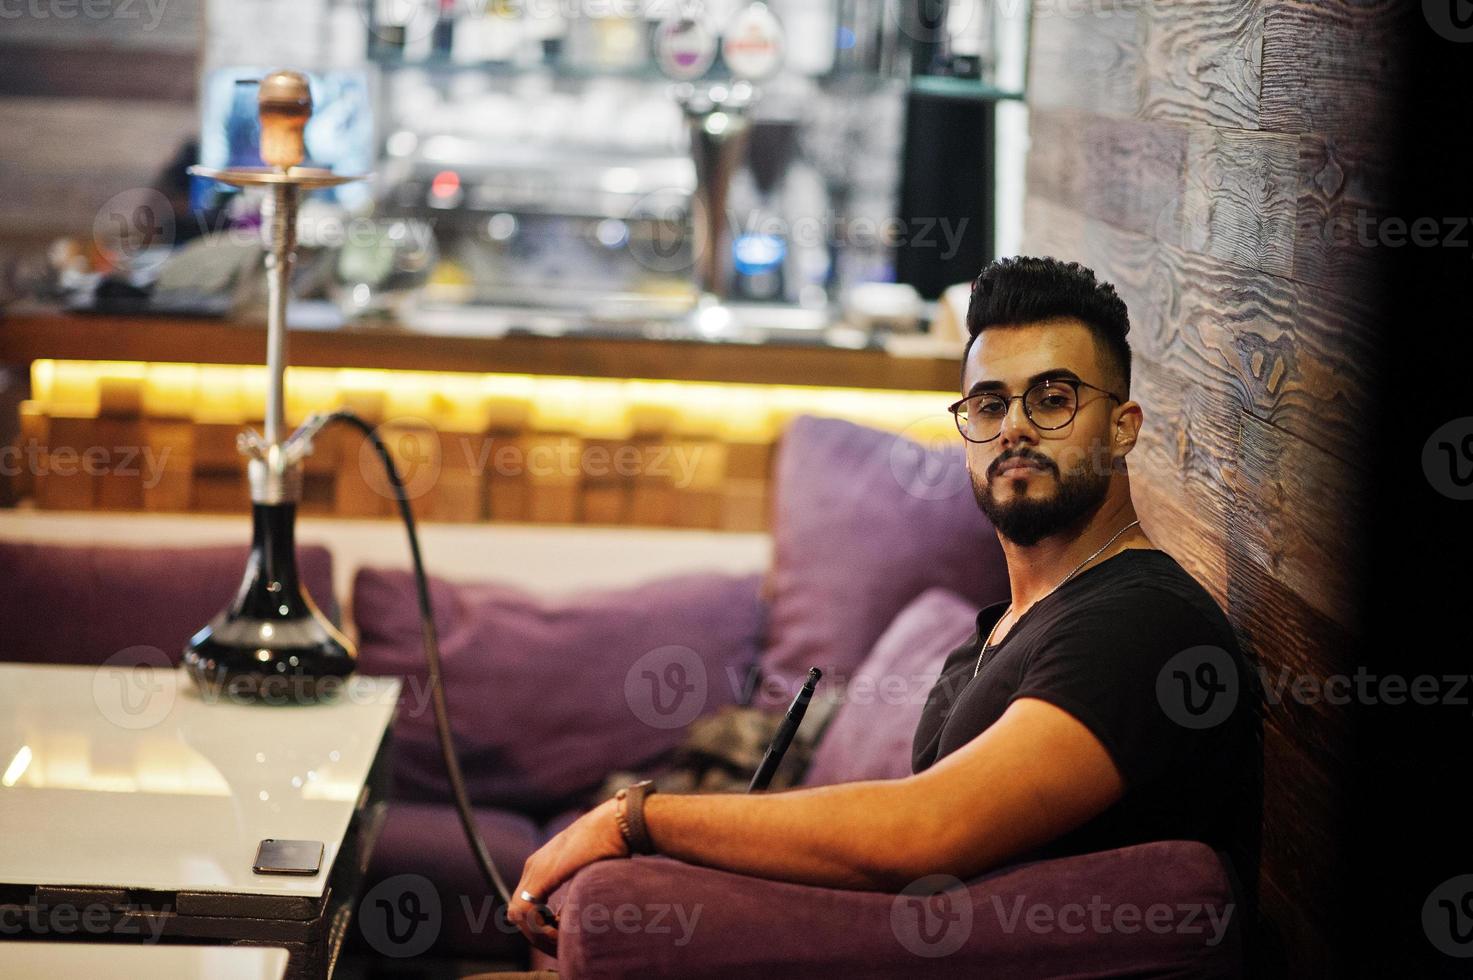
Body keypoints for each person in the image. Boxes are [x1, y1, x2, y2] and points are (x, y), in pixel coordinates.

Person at [508, 256, 1263, 959]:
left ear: (1122, 426)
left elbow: (926, 830)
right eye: (989, 403)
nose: (1015, 427)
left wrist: (636, 821)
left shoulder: (1141, 627)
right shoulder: (998, 632)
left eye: (1053, 399)